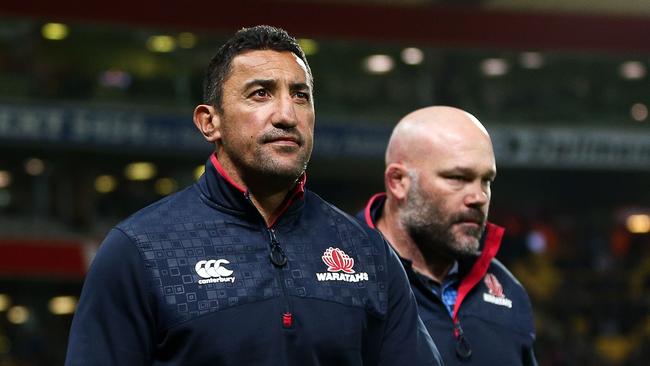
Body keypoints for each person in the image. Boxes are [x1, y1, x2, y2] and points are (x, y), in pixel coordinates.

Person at [65, 25, 442, 366]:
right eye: (260, 94)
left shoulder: (368, 252)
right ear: (209, 122)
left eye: (300, 96)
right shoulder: (139, 251)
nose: (286, 115)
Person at [357, 106, 537, 365]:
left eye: (486, 180)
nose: (479, 197)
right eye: (457, 178)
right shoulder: (338, 274)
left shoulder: (506, 291)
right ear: (398, 181)